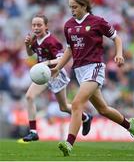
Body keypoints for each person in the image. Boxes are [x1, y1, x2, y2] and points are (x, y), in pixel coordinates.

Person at [51, 0, 134, 156]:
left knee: (77, 103)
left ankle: (68, 143)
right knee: (103, 109)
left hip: (95, 67)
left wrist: (119, 53)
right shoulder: (68, 25)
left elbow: (116, 38)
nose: (72, 10)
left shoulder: (97, 22)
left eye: (75, 7)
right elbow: (69, 50)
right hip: (79, 70)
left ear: (84, 6)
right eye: (70, 7)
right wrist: (58, 67)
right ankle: (130, 126)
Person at [23, 14, 93, 142]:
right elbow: (30, 54)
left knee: (64, 107)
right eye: (34, 25)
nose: (36, 27)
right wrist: (27, 45)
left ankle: (85, 117)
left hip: (55, 74)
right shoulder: (34, 39)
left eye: (39, 25)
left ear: (46, 26)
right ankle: (33, 132)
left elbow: (61, 58)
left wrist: (46, 63)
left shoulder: (52, 41)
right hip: (43, 75)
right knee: (29, 96)